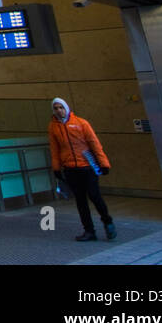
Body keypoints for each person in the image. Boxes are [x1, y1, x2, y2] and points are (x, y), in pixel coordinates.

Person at [48, 97, 116, 241]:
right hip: (70, 168)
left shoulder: (81, 123)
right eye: (56, 108)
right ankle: (89, 230)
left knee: (94, 195)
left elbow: (94, 144)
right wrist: (56, 168)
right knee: (80, 200)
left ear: (66, 108)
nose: (59, 110)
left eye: (61, 107)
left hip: (87, 166)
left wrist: (104, 163)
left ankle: (107, 221)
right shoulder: (53, 127)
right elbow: (55, 149)